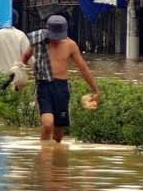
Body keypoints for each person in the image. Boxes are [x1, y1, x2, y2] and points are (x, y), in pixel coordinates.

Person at [28, 14, 101, 143]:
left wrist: (95, 90)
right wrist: (19, 72)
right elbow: (24, 58)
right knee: (47, 124)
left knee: (58, 134)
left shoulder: (70, 45)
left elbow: (83, 68)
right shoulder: (38, 42)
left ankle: (55, 156)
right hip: (44, 86)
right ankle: (43, 157)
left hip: (61, 88)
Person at [0, 15, 34, 90]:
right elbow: (30, 58)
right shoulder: (20, 35)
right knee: (16, 100)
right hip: (17, 79)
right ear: (16, 20)